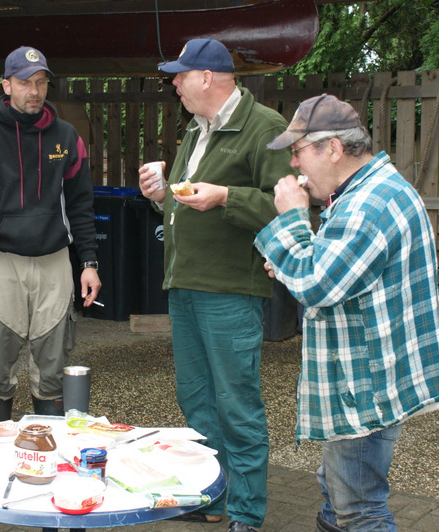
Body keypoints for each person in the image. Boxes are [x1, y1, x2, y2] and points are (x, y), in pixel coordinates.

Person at [254, 94, 439, 532]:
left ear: (332, 148)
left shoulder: (367, 204)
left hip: (363, 387)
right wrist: (293, 258)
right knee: (337, 493)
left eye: (298, 151)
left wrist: (292, 219)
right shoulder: (369, 191)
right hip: (370, 378)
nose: (293, 163)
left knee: (360, 510)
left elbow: (316, 285)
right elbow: (337, 269)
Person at [138, 38, 292, 531]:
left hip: (230, 291)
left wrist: (227, 196)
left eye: (180, 76)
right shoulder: (195, 129)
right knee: (197, 400)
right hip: (185, 284)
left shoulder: (264, 127)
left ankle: (246, 513)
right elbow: (185, 203)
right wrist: (160, 195)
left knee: (236, 405)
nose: (174, 85)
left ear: (206, 78)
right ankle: (213, 496)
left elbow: (289, 206)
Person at [0, 46, 101, 423]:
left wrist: (89, 262)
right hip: (0, 261)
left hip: (54, 261)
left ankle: (48, 447)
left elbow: (81, 205)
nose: (34, 91)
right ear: (7, 86)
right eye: (24, 83)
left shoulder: (67, 137)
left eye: (40, 82)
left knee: (53, 365)